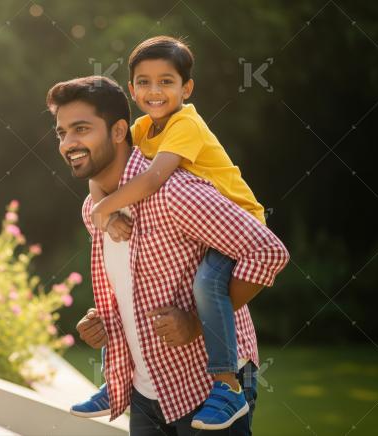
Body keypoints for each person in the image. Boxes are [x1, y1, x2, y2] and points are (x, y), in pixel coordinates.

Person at [47, 74, 289, 434]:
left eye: (81, 129)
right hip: (143, 393)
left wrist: (194, 324)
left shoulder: (175, 193)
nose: (69, 143)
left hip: (206, 391)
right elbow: (131, 285)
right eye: (62, 133)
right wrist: (103, 321)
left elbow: (267, 251)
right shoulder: (93, 209)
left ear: (118, 131)